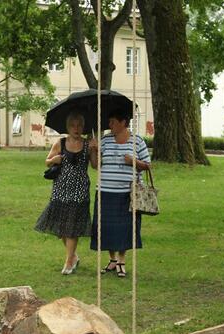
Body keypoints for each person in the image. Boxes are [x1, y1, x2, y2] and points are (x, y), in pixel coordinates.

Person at [89, 109, 151, 278]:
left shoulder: (137, 141)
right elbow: (95, 166)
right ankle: (112, 260)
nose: (109, 125)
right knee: (106, 227)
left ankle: (122, 261)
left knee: (125, 228)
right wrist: (93, 150)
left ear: (124, 122)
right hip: (105, 192)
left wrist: (133, 161)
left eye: (113, 122)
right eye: (109, 122)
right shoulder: (105, 140)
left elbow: (148, 165)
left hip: (127, 194)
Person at [35, 112, 95, 274]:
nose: (76, 129)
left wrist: (95, 150)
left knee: (72, 225)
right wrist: (54, 160)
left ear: (83, 127)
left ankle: (69, 262)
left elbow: (96, 166)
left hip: (80, 189)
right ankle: (73, 256)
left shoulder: (88, 144)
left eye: (79, 126)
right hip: (60, 188)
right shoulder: (60, 143)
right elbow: (47, 162)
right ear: (68, 127)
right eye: (73, 126)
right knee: (61, 225)